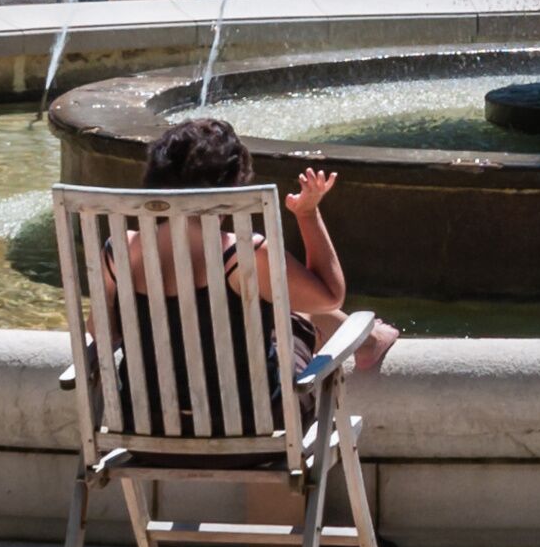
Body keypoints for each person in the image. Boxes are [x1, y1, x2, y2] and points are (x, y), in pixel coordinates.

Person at [121, 113, 398, 375]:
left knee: (270, 294)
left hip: (141, 416)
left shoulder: (120, 251)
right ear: (232, 187)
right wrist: (307, 214)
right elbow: (329, 298)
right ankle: (369, 341)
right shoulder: (246, 255)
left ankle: (369, 341)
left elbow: (100, 332)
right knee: (287, 302)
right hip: (251, 418)